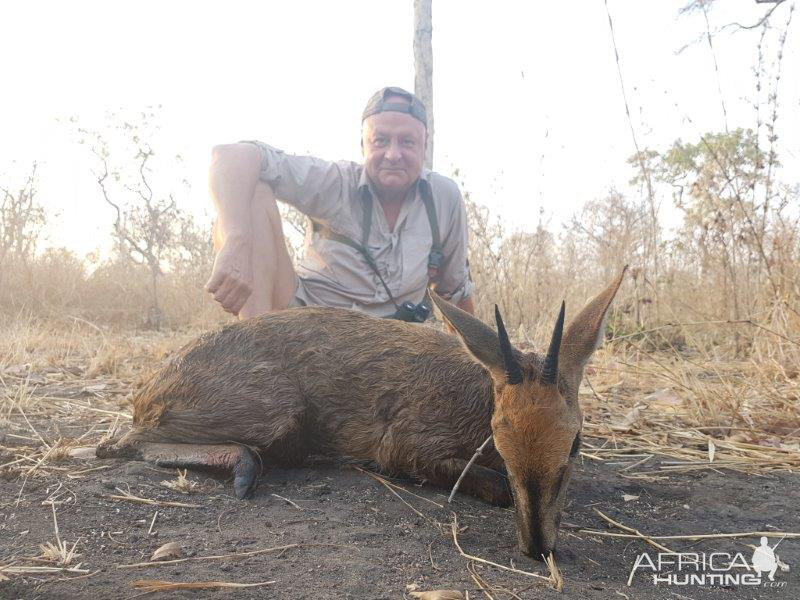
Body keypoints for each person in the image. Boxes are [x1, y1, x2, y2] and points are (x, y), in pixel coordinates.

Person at [205, 86, 475, 320]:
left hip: (394, 346)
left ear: (424, 147)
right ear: (363, 146)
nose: (393, 154)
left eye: (407, 142)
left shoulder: (444, 197)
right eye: (380, 141)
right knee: (253, 191)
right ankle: (259, 357)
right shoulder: (334, 181)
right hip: (305, 323)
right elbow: (231, 156)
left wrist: (484, 367)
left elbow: (454, 290)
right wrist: (236, 239)